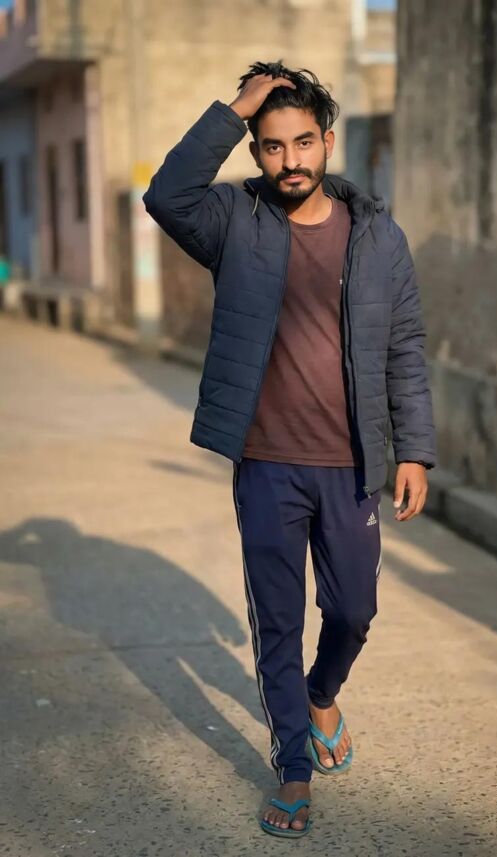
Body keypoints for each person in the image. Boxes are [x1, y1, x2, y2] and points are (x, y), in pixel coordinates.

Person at [143, 60, 437, 839]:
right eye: (272, 145)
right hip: (267, 461)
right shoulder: (233, 221)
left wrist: (414, 450)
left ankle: (321, 693)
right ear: (256, 149)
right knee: (277, 619)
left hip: (352, 464)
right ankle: (294, 770)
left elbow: (405, 346)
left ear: (327, 141)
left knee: (353, 609)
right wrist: (235, 107)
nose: (290, 160)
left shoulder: (378, 236)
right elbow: (165, 195)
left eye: (303, 142)